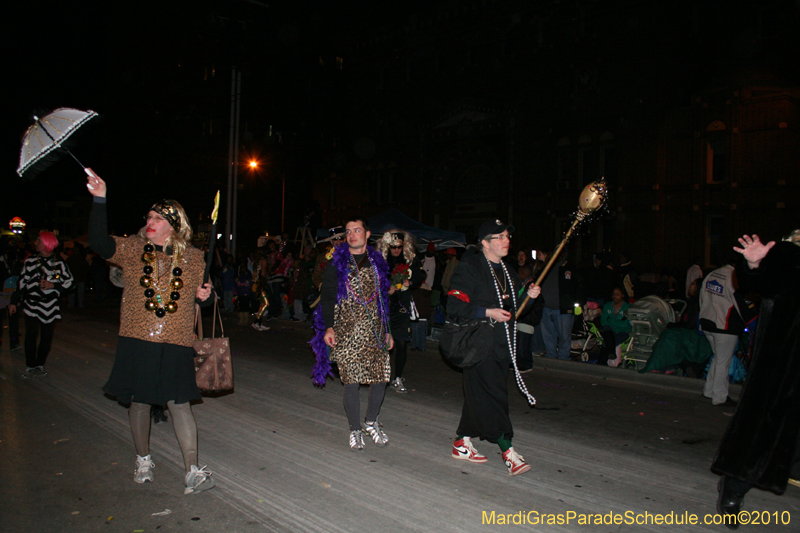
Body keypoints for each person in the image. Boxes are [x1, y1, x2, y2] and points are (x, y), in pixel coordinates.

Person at [85, 170, 216, 495]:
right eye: (149, 216)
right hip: (137, 339)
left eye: (158, 217)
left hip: (176, 341)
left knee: (179, 404)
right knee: (140, 402)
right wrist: (100, 198)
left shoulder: (195, 258)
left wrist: (207, 295)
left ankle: (192, 471)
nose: (150, 220)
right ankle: (143, 458)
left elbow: (208, 298)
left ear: (174, 223)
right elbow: (99, 242)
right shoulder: (132, 249)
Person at [713, 232, 800, 528]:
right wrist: (755, 265)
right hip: (786, 366)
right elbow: (765, 285)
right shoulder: (791, 254)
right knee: (765, 432)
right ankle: (734, 488)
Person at [446, 219, 541, 476]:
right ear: (485, 243)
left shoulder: (509, 271)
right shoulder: (470, 267)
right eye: (498, 236)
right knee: (495, 396)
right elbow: (454, 307)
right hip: (477, 345)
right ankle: (508, 451)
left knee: (480, 396)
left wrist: (528, 298)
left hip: (502, 345)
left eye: (507, 234)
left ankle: (461, 442)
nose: (506, 239)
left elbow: (515, 312)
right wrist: (487, 311)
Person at [310, 217, 394, 451]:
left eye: (357, 230)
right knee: (352, 382)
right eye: (348, 232)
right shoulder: (336, 264)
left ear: (367, 234)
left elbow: (383, 301)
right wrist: (329, 327)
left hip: (374, 330)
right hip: (346, 330)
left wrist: (388, 331)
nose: (352, 235)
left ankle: (371, 421)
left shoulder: (378, 263)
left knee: (381, 377)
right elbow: (327, 297)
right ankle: (355, 430)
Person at [9, 231, 73, 378]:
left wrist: (54, 285)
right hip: (32, 304)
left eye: (38, 241)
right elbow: (21, 282)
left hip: (50, 305)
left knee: (46, 337)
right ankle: (30, 365)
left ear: (46, 243)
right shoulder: (30, 260)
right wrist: (14, 301)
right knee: (30, 335)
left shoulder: (59, 262)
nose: (35, 243)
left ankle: (40, 364)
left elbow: (69, 282)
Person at [376, 229, 425, 393]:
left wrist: (409, 282)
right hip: (385, 306)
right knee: (383, 344)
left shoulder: (411, 260)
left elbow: (419, 276)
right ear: (388, 247)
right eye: (393, 247)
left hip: (402, 307)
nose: (396, 250)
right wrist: (385, 289)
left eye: (399, 247)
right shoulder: (381, 261)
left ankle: (397, 377)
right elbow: (371, 280)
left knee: (402, 343)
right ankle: (380, 375)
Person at [699, 250, 749, 407]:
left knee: (718, 358)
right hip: (725, 326)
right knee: (723, 362)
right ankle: (720, 397)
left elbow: (701, 297)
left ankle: (709, 391)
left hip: (708, 322)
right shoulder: (733, 277)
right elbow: (741, 305)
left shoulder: (712, 274)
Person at [539, 248, 580, 361]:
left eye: (562, 253)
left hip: (563, 309)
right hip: (547, 307)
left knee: (564, 335)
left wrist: (578, 304)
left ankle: (563, 358)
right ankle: (550, 355)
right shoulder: (546, 267)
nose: (559, 255)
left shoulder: (570, 268)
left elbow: (578, 287)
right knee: (548, 335)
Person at [602, 286, 632, 367]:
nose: (615, 296)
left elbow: (625, 324)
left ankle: (603, 362)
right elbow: (604, 321)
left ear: (623, 295)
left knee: (607, 342)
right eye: (614, 294)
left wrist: (611, 320)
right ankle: (611, 353)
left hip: (622, 332)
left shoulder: (628, 307)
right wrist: (617, 322)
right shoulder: (608, 305)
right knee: (607, 330)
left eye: (618, 294)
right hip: (610, 331)